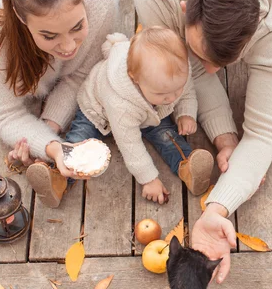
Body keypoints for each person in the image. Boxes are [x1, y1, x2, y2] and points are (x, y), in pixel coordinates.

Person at [121, 0, 272, 283]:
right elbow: (182, 71)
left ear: (254, 30)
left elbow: (266, 133)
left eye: (224, 62)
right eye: (199, 52)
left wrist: (217, 207)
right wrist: (224, 134)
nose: (210, 68)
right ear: (185, 10)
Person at [0, 0, 118, 206]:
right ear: (19, 17)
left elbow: (79, 75)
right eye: (50, 35)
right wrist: (53, 147)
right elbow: (5, 114)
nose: (68, 46)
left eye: (77, 26)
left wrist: (48, 127)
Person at [30, 27, 214, 205]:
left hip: (149, 112)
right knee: (78, 144)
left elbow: (187, 90)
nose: (172, 97)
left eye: (176, 89)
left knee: (167, 136)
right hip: (97, 112)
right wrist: (149, 179)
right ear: (135, 79)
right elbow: (129, 143)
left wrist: (186, 113)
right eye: (162, 94)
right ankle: (57, 179)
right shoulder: (121, 101)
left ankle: (188, 167)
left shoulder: (175, 74)